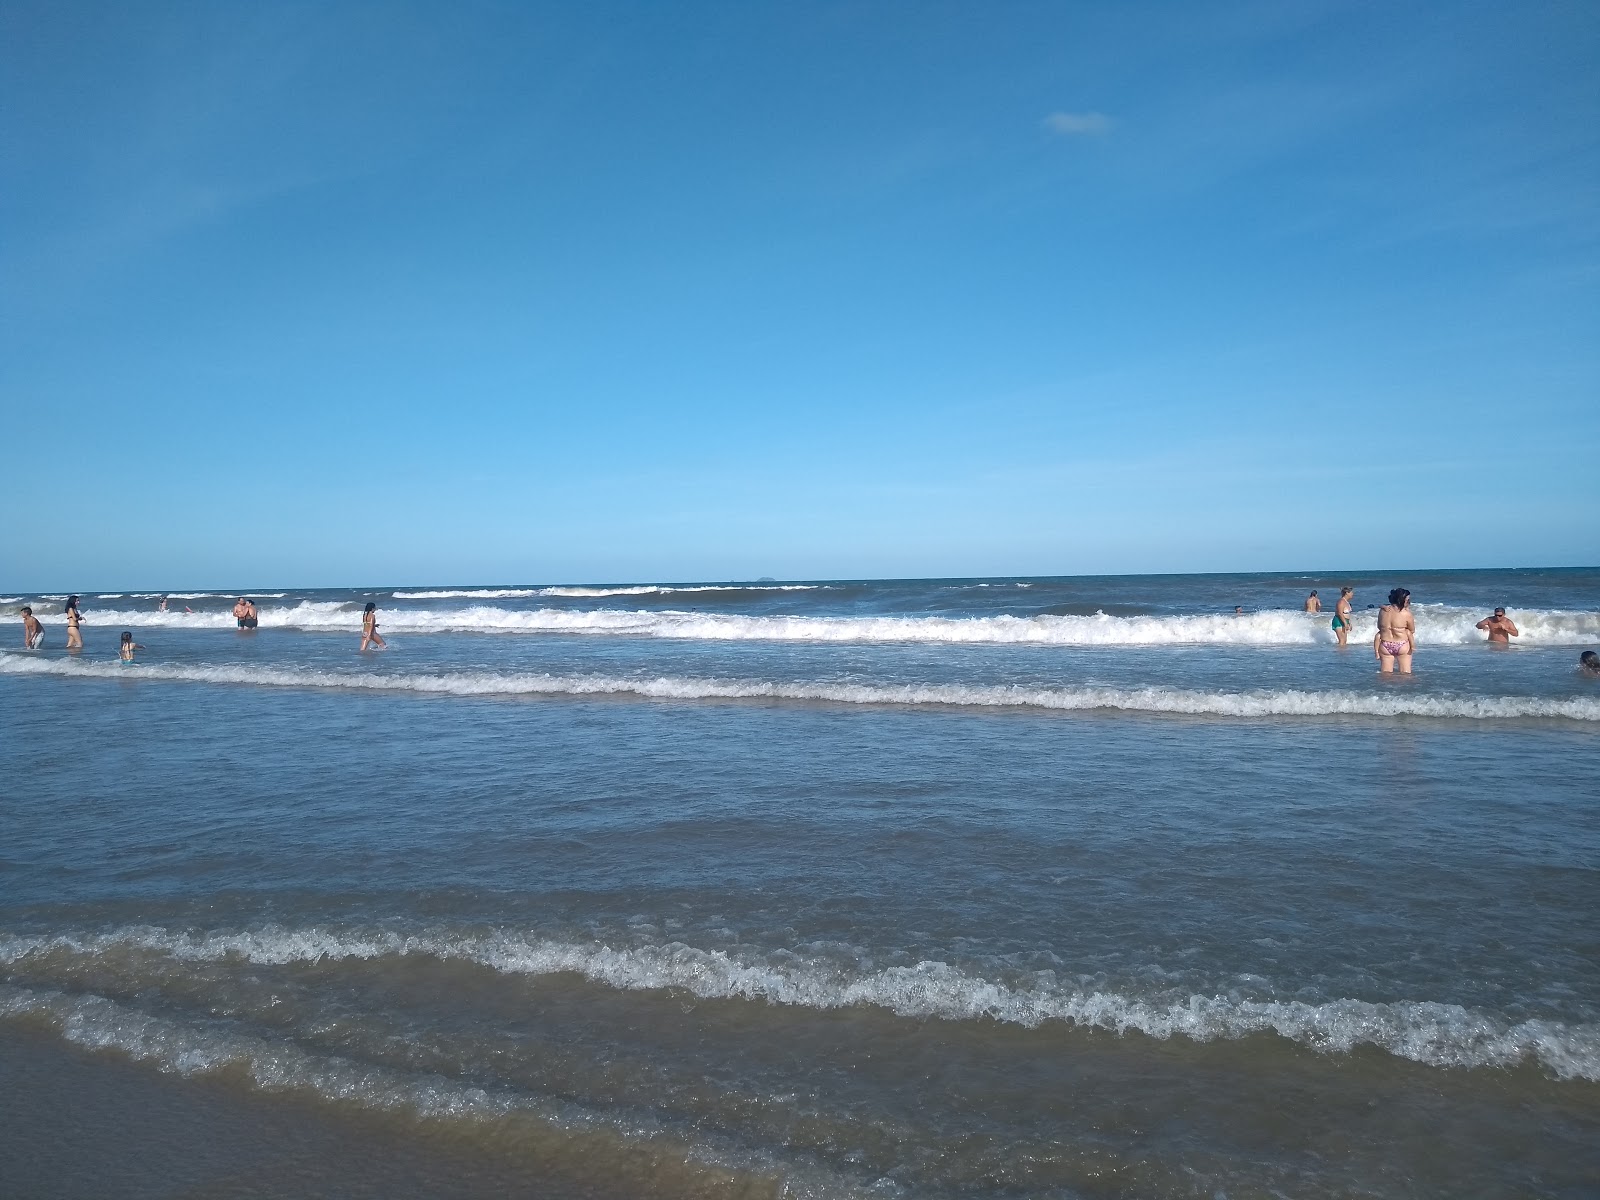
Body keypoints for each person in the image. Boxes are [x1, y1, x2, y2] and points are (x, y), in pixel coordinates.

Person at [1375, 588, 1415, 674]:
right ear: (1402, 600)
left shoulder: (1383, 611)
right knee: (1405, 674)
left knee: (1386, 675)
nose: (1409, 602)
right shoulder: (1406, 613)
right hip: (1402, 644)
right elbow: (1412, 630)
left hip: (1385, 644)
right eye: (1408, 600)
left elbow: (1379, 627)